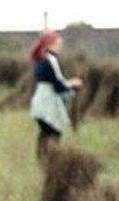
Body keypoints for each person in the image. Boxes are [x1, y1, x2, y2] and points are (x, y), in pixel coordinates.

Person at [28, 30, 83, 160]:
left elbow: (51, 81)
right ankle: (52, 161)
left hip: (40, 101)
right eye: (58, 44)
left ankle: (42, 160)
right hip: (49, 103)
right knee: (54, 133)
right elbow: (58, 85)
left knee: (44, 133)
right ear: (50, 44)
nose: (60, 46)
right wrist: (73, 84)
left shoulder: (40, 59)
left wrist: (67, 83)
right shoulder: (51, 59)